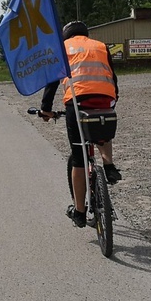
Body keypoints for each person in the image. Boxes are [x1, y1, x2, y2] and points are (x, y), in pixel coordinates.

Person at [39, 21, 122, 228]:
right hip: (105, 98)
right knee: (101, 128)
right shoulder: (100, 46)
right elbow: (113, 76)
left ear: (65, 36)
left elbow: (52, 82)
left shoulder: (63, 48)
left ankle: (79, 212)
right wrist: (112, 100)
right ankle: (109, 165)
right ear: (86, 34)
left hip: (77, 102)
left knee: (78, 159)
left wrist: (46, 109)